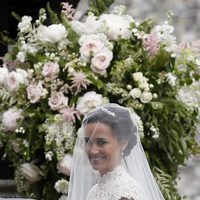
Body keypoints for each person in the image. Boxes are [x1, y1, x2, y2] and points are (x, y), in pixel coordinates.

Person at [67, 103, 165, 200]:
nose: (92, 150)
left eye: (101, 142)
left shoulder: (124, 192)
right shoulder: (94, 191)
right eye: (87, 141)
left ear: (123, 143)